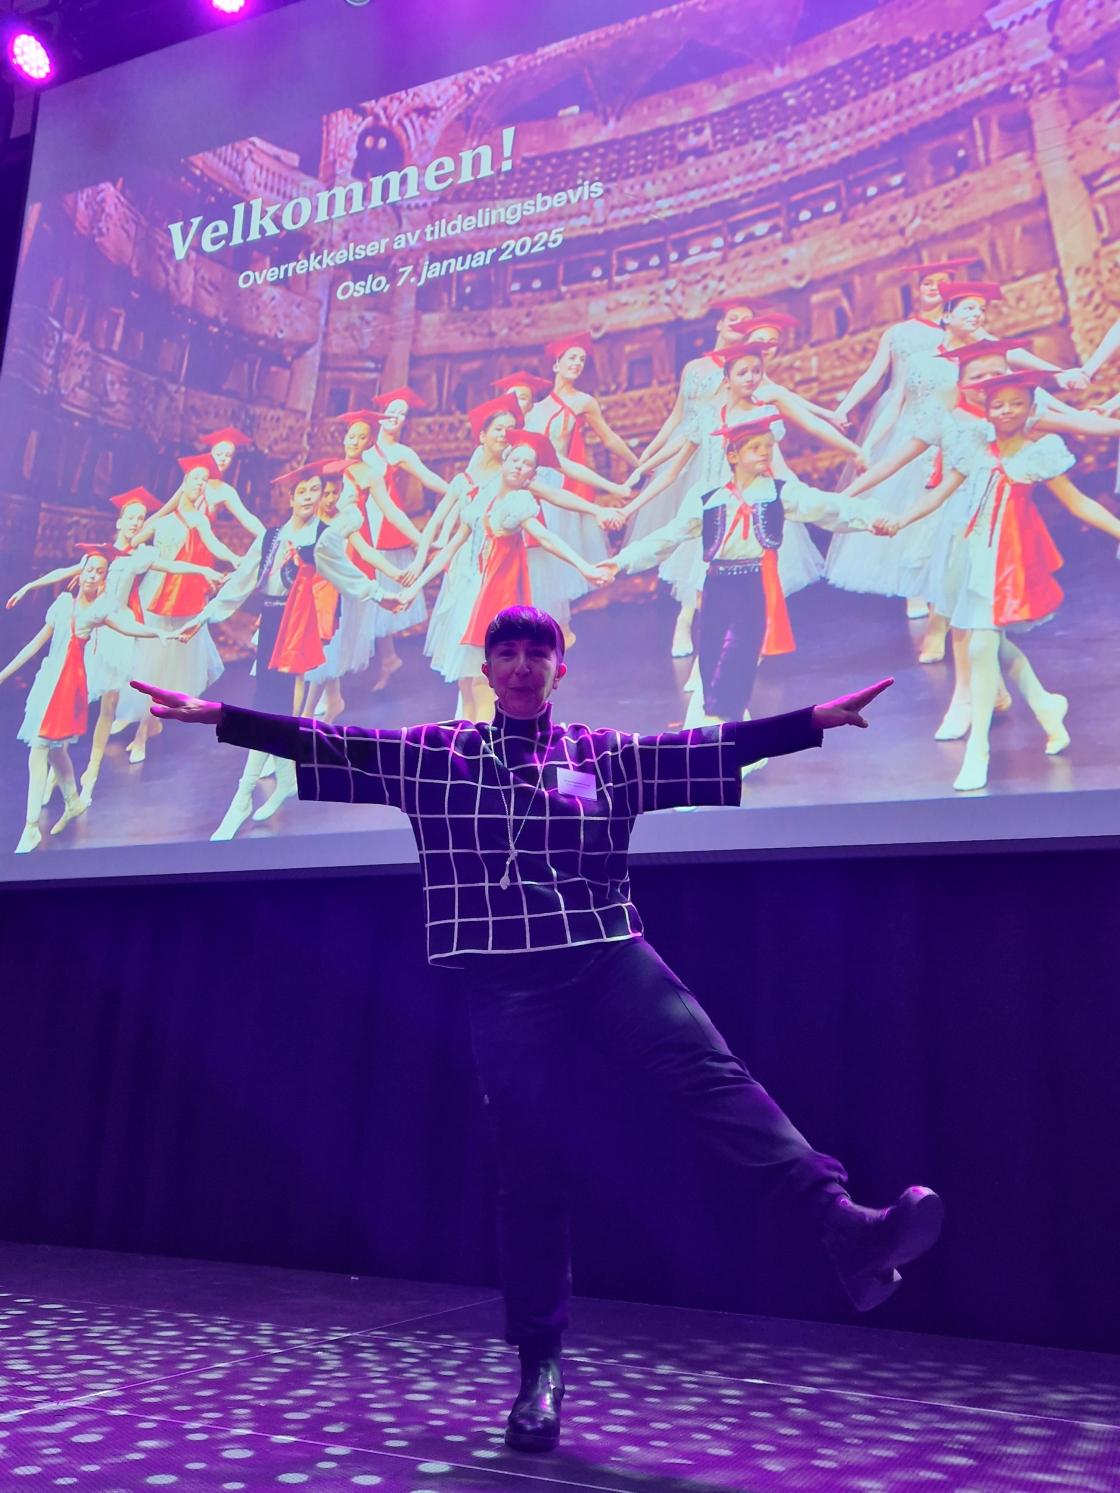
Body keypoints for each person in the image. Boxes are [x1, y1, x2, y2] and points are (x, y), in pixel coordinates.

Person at [132, 605, 943, 1455]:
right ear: (487, 670)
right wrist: (222, 716)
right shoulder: (437, 755)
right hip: (506, 976)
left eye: (537, 652)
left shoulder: (602, 754)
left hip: (605, 952)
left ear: (562, 667)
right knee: (531, 1167)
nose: (522, 665)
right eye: (507, 653)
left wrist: (808, 722)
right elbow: (327, 741)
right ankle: (539, 1371)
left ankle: (846, 1225)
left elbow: (707, 748)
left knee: (713, 1075)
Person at [874, 371, 1120, 792]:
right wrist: (900, 519)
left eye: (1016, 403)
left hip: (1006, 564)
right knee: (995, 645)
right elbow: (940, 493)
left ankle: (979, 750)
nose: (1006, 411)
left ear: (1031, 408)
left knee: (982, 646)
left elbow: (1078, 503)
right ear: (987, 409)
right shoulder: (975, 447)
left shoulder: (1038, 454)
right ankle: (1046, 706)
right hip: (970, 556)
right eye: (998, 404)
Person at [605, 414, 885, 733]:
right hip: (717, 586)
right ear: (733, 456)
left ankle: (726, 735)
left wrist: (870, 518)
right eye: (755, 447)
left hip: (752, 586)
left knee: (736, 663)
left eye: (768, 446)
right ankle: (719, 731)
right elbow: (667, 537)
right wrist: (621, 562)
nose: (764, 452)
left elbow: (827, 508)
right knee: (711, 664)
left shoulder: (779, 493)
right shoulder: (709, 498)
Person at [1, 549, 167, 852]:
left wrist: (159, 633)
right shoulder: (63, 604)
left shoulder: (98, 611)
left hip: (68, 686)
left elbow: (128, 627)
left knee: (39, 749)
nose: (93, 575)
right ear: (80, 573)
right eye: (90, 569)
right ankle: (73, 802)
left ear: (104, 579)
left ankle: (31, 827)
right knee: (54, 751)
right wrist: (3, 674)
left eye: (100, 572)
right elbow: (35, 644)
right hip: (48, 681)